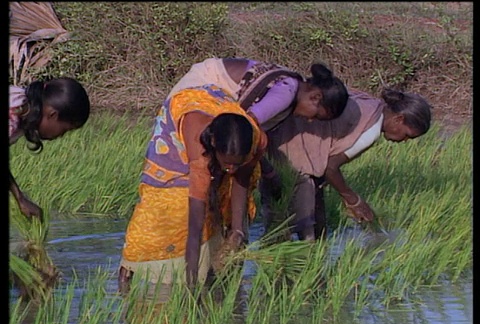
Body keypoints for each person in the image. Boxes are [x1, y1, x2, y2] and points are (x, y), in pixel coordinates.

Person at [118, 84, 267, 291]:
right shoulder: (200, 154)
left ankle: (221, 267)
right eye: (227, 162)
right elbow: (194, 229)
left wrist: (238, 230)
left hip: (218, 107)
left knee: (224, 204)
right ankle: (128, 271)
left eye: (237, 163)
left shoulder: (254, 140)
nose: (231, 168)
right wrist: (191, 285)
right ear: (213, 144)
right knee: (168, 204)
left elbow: (241, 178)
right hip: (181, 119)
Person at [166, 57, 349, 202]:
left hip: (210, 91)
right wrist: (268, 172)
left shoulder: (290, 85)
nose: (310, 121)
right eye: (316, 115)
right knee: (198, 166)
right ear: (315, 97)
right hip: (201, 88)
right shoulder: (286, 93)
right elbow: (245, 128)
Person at [261, 88, 432, 240]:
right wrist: (352, 199)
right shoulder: (371, 130)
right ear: (399, 119)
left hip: (279, 136)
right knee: (305, 233)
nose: (405, 140)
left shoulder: (370, 104)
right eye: (408, 135)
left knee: (282, 218)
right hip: (291, 148)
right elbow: (329, 167)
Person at [9, 77, 91, 221]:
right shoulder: (13, 117)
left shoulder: (22, 102)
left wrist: (20, 199)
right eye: (65, 130)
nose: (61, 136)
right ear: (52, 115)